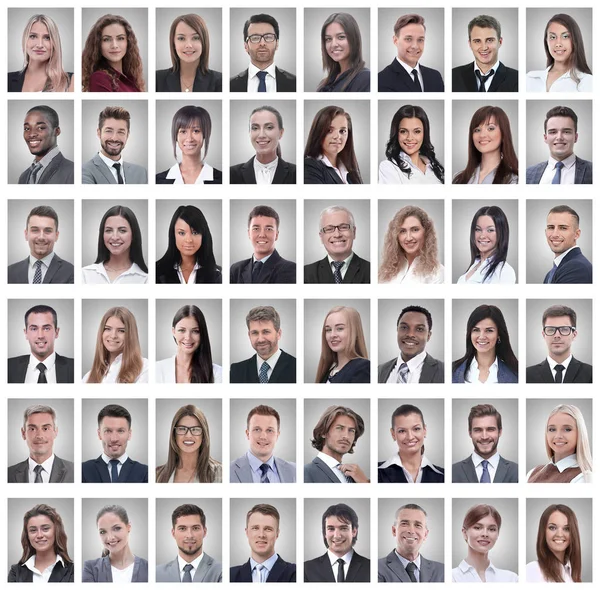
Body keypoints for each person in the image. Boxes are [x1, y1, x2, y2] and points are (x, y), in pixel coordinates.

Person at [8, 304, 74, 384]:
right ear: (26, 333)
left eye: (46, 328)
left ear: (57, 332)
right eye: (34, 329)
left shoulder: (74, 367)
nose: (40, 336)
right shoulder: (7, 367)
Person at [82, 404, 148, 483]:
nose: (114, 439)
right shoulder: (82, 470)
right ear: (99, 434)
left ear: (129, 434)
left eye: (120, 431)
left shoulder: (145, 472)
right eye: (108, 431)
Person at [8, 404, 74, 483]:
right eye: (32, 429)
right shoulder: (7, 474)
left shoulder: (74, 471)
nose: (39, 436)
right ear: (23, 433)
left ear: (55, 432)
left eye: (45, 428)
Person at [452, 304, 518, 383]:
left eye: (489, 330)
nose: (482, 336)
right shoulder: (451, 371)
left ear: (499, 335)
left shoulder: (516, 374)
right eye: (476, 330)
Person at [526, 106, 593, 184]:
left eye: (566, 132)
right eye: (553, 132)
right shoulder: (528, 174)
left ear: (576, 137)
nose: (559, 137)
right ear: (545, 138)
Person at [379, 105, 444, 184]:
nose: (410, 138)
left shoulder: (435, 167)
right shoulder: (388, 167)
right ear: (396, 133)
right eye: (403, 131)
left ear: (424, 133)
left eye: (417, 131)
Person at [452, 404, 518, 483]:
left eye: (490, 429)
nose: (484, 437)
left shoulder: (517, 472)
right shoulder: (452, 472)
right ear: (470, 433)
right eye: (478, 430)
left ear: (500, 432)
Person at [526, 14, 593, 92]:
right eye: (553, 37)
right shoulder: (529, 78)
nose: (558, 43)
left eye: (565, 36)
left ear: (575, 40)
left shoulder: (587, 81)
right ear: (546, 41)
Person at [156, 105, 222, 184]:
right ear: (176, 136)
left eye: (196, 131)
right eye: (183, 131)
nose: (189, 139)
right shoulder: (158, 180)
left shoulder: (223, 180)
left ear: (205, 134)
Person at [156, 205, 222, 284]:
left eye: (195, 232)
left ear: (203, 235)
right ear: (173, 235)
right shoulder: (156, 271)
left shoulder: (218, 275)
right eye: (182, 233)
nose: (189, 240)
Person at [527, 404, 592, 484]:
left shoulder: (583, 478)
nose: (558, 436)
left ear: (580, 433)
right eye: (552, 429)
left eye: (567, 429)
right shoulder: (533, 472)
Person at [82, 205, 148, 284]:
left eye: (122, 231)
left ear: (133, 234)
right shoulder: (84, 274)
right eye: (109, 230)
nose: (115, 237)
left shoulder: (146, 279)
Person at [156, 504, 222, 582]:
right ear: (173, 533)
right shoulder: (156, 574)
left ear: (204, 532)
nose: (189, 535)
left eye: (195, 528)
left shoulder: (221, 571)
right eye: (182, 528)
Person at [378, 504, 444, 582]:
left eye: (418, 525)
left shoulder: (442, 571)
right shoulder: (376, 568)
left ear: (425, 534)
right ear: (394, 531)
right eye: (404, 524)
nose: (411, 531)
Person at [230, 306, 296, 384]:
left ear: (279, 334)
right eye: (255, 333)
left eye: (266, 332)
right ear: (249, 335)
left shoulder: (296, 367)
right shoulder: (237, 371)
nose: (260, 339)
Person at [304, 503, 370, 582]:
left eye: (343, 528)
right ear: (325, 533)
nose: (337, 536)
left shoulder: (371, 567)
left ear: (354, 531)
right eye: (331, 529)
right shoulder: (306, 569)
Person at [8, 504, 74, 582]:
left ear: (56, 531)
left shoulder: (73, 571)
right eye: (33, 530)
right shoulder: (15, 572)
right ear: (27, 535)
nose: (39, 535)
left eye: (45, 529)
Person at [156, 14, 222, 92]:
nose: (188, 45)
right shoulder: (157, 79)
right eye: (181, 38)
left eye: (195, 38)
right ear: (173, 43)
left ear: (204, 42)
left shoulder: (220, 81)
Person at [230, 205, 296, 283]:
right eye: (256, 229)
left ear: (276, 235)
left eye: (268, 229)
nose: (262, 235)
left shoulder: (292, 270)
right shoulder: (236, 270)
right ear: (249, 233)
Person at [230, 105, 296, 184]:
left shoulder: (297, 174)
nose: (261, 135)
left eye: (269, 127)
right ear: (249, 133)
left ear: (281, 133)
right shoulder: (231, 174)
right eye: (255, 128)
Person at [8, 206, 74, 284]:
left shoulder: (71, 272)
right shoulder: (9, 272)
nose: (41, 237)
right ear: (26, 234)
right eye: (35, 230)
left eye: (48, 231)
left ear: (56, 236)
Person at [156, 405, 222, 483]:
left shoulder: (220, 473)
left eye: (195, 429)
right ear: (174, 435)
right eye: (182, 429)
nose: (188, 435)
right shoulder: (157, 475)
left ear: (203, 435)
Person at [230, 405, 296, 483]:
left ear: (277, 435)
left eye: (269, 430)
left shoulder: (295, 471)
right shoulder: (228, 471)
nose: (263, 437)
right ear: (248, 434)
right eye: (257, 429)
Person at [156, 305, 222, 384]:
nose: (188, 338)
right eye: (182, 330)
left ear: (202, 334)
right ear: (173, 332)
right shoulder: (157, 369)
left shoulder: (218, 373)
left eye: (195, 331)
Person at [378, 305, 444, 384]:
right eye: (404, 327)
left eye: (419, 329)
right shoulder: (379, 370)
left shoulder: (444, 371)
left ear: (428, 336)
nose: (410, 334)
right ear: (397, 330)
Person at [378, 206, 444, 284]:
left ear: (426, 233)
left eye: (415, 230)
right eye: (402, 231)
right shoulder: (386, 270)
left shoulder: (438, 273)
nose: (408, 238)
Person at [378, 14, 444, 92]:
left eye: (420, 40)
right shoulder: (381, 79)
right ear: (395, 41)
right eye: (408, 39)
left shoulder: (435, 76)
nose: (415, 46)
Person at [230, 504, 296, 582]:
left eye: (268, 529)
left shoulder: (296, 573)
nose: (261, 535)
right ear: (247, 532)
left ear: (277, 534)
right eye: (255, 528)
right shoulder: (230, 575)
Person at [527, 305, 592, 383]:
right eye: (551, 330)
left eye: (564, 329)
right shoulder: (527, 375)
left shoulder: (591, 374)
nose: (557, 336)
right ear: (544, 335)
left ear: (574, 334)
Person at [305, 206, 370, 284]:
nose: (337, 234)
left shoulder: (372, 271)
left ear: (354, 232)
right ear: (321, 237)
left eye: (343, 227)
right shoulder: (305, 273)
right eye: (329, 229)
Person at [378, 405, 444, 483]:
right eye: (402, 431)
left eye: (416, 429)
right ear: (393, 434)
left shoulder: (443, 476)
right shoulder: (376, 471)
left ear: (424, 430)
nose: (410, 437)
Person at [8, 14, 74, 92]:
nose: (40, 45)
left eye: (47, 38)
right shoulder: (6, 80)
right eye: (33, 36)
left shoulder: (71, 81)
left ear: (54, 43)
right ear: (25, 40)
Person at [82, 307, 149, 384]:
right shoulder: (89, 376)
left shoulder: (145, 368)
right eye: (108, 329)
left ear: (131, 335)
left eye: (121, 331)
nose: (113, 336)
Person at [231, 14, 296, 92]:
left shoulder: (295, 83)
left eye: (268, 37)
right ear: (246, 46)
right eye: (255, 38)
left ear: (277, 44)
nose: (262, 43)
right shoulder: (230, 85)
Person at [453, 105, 518, 184]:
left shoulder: (514, 180)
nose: (482, 135)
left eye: (490, 128)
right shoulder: (458, 179)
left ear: (503, 133)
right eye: (477, 130)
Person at [452, 15, 518, 92]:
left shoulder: (517, 78)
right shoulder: (453, 76)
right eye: (477, 41)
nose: (484, 47)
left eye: (489, 40)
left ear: (500, 42)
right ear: (470, 44)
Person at [452, 504, 518, 582]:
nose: (485, 534)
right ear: (465, 533)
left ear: (498, 534)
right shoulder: (451, 577)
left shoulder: (512, 579)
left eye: (492, 529)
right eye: (477, 528)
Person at [82, 106, 147, 184]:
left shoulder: (141, 173)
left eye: (121, 132)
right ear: (99, 133)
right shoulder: (84, 171)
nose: (114, 138)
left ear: (127, 135)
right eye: (109, 131)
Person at [83, 505, 148, 582]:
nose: (110, 538)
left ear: (128, 527)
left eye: (117, 528)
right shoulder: (91, 568)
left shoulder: (148, 568)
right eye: (103, 532)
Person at [304, 405, 368, 483]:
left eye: (351, 431)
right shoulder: (305, 472)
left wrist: (365, 482)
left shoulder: (355, 475)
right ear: (323, 432)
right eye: (339, 428)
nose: (346, 436)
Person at [82, 14, 144, 92]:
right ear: (98, 44)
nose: (114, 45)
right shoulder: (99, 78)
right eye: (106, 39)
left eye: (120, 38)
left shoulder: (130, 77)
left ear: (128, 42)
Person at [457, 205, 516, 284]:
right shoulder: (475, 264)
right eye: (478, 229)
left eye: (490, 230)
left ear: (501, 233)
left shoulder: (505, 271)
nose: (482, 236)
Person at [304, 105, 363, 184]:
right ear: (318, 132)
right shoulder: (309, 167)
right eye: (329, 130)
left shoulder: (350, 170)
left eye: (342, 131)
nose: (337, 136)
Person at [526, 504, 582, 582]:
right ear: (543, 532)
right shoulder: (531, 570)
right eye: (552, 528)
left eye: (566, 529)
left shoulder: (571, 574)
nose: (559, 534)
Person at [19, 105, 74, 184]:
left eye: (41, 127)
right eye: (27, 128)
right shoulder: (24, 177)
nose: (31, 134)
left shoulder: (73, 172)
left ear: (57, 131)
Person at [316, 306, 370, 384]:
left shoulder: (363, 368)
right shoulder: (327, 373)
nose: (332, 335)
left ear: (355, 332)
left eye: (340, 328)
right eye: (328, 330)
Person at [317, 13, 370, 92]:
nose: (333, 44)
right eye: (328, 39)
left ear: (354, 39)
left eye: (341, 37)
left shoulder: (366, 79)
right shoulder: (325, 82)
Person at [543, 205, 592, 284]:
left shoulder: (577, 268)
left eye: (563, 228)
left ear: (576, 234)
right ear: (545, 231)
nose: (555, 234)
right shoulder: (550, 274)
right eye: (551, 227)